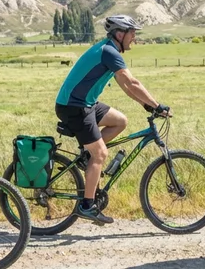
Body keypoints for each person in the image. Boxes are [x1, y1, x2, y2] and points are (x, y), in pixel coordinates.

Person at [54, 14, 169, 225]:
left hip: (85, 103)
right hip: (74, 107)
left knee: (120, 121)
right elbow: (132, 82)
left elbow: (125, 86)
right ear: (120, 33)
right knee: (101, 154)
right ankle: (87, 206)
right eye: (132, 33)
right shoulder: (109, 52)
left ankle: (88, 158)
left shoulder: (109, 49)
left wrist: (146, 105)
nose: (134, 37)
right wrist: (157, 106)